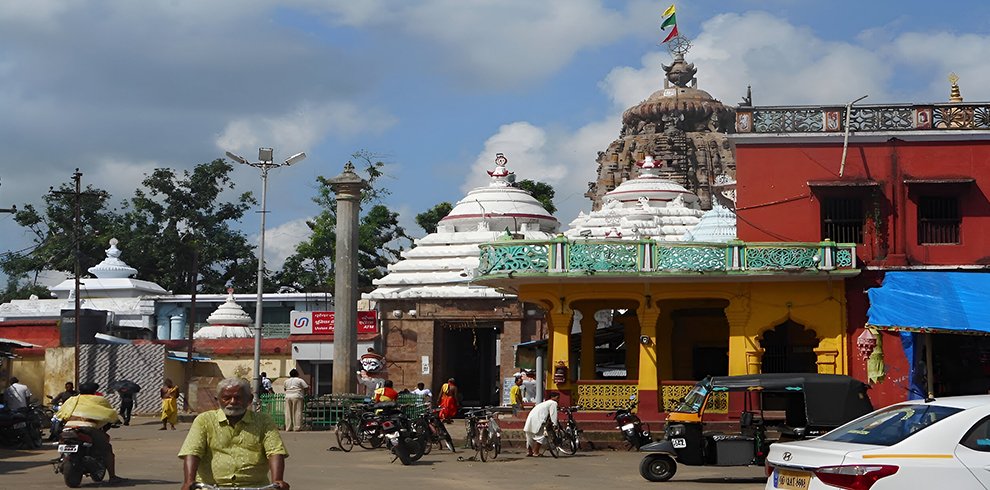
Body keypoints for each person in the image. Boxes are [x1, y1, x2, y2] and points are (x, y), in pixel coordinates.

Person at [178, 378, 289, 490]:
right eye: (226, 398)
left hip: (254, 486)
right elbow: (193, 451)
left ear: (249, 399)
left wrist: (277, 480)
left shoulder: (264, 421)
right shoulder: (204, 420)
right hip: (212, 486)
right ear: (218, 399)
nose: (232, 402)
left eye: (238, 398)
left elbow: (275, 451)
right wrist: (189, 481)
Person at [56, 381, 123, 483]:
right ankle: (113, 477)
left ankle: (63, 459)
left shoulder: (72, 400)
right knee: (107, 449)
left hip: (68, 428)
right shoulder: (99, 400)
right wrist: (115, 419)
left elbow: (61, 413)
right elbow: (109, 413)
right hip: (87, 428)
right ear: (94, 391)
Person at [523, 391, 560, 457]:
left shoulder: (543, 403)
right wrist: (555, 424)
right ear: (554, 397)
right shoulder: (553, 403)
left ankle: (529, 451)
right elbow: (553, 414)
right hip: (539, 420)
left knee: (529, 436)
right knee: (542, 436)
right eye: (558, 398)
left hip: (530, 418)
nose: (558, 400)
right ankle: (536, 451)